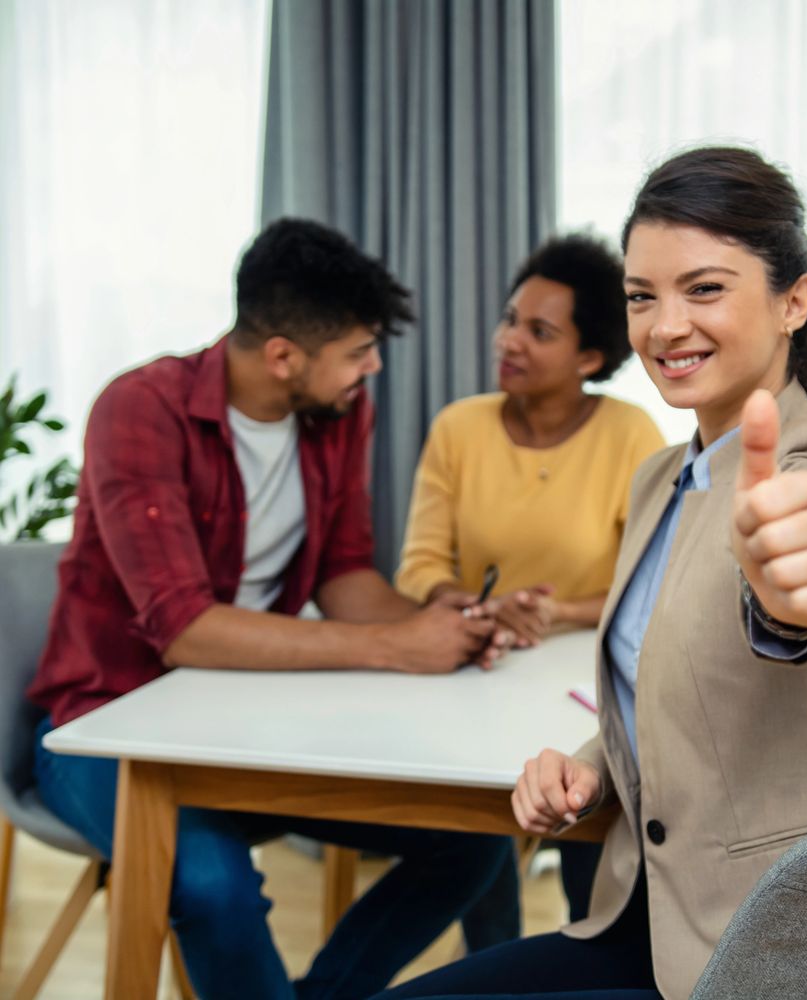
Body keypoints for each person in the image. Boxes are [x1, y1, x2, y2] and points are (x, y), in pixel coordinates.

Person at [366, 146, 807, 1000]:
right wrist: (593, 765)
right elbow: (682, 696)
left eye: (705, 289)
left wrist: (796, 598)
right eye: (641, 296)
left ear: (793, 301)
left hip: (777, 947)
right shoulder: (662, 478)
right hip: (648, 919)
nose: (664, 327)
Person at [28, 218, 515, 1000]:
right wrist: (394, 647)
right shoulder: (138, 411)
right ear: (283, 355)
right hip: (103, 728)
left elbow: (343, 573)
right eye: (358, 352)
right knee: (215, 889)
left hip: (251, 728)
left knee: (475, 838)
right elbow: (185, 630)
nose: (374, 367)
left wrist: (435, 624)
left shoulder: (338, 412)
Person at [395, 234, 664, 940]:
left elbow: (653, 584)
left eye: (538, 331)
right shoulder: (460, 428)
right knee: (479, 827)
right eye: (511, 318)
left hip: (585, 690)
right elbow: (419, 566)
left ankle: (587, 951)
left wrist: (554, 612)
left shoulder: (629, 435)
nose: (507, 340)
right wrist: (472, 606)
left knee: (590, 826)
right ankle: (497, 961)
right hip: (479, 681)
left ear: (590, 358)